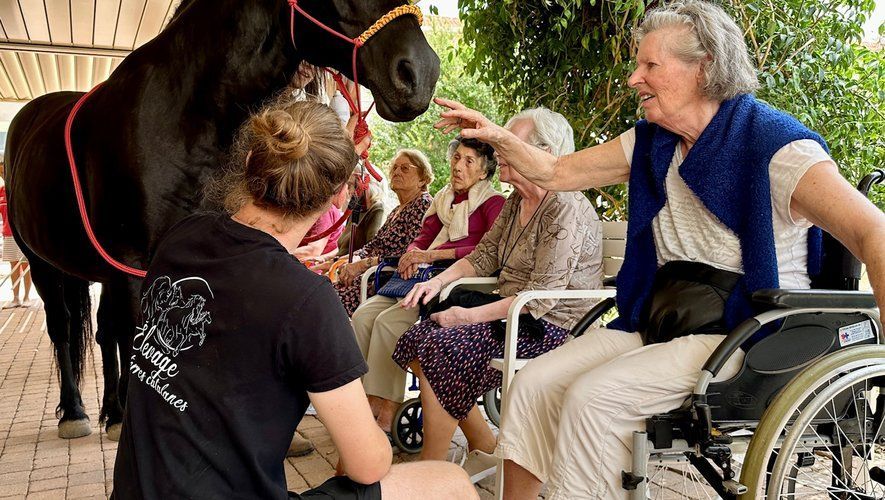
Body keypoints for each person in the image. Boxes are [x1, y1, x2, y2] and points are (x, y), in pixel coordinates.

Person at [433, 1, 885, 498]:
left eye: (650, 65)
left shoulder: (776, 147)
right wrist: (497, 136)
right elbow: (556, 173)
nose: (633, 79)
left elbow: (873, 233)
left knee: (594, 400)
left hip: (745, 332)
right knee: (534, 383)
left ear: (704, 67)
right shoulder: (654, 141)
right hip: (664, 319)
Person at [112, 99, 477, 500]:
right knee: (450, 482)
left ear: (251, 160)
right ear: (335, 196)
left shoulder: (182, 236)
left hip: (135, 489)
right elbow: (370, 465)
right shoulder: (304, 300)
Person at [396, 108, 604, 483]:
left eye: (510, 142)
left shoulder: (565, 206)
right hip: (511, 314)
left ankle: (432, 474)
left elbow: (541, 299)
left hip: (549, 326)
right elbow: (484, 256)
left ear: (544, 151)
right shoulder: (516, 202)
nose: (499, 149)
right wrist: (437, 283)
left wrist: (464, 316)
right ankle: (482, 443)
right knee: (419, 338)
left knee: (445, 347)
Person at [351, 136, 506, 435]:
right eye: (456, 158)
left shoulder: (493, 202)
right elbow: (425, 235)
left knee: (387, 323)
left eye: (468, 161)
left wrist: (432, 255)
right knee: (363, 316)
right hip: (423, 275)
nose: (458, 166)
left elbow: (486, 249)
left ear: (484, 172)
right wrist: (412, 254)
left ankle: (385, 409)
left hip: (459, 284)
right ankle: (362, 401)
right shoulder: (444, 198)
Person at [332, 149, 435, 315]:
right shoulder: (396, 210)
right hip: (370, 276)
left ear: (423, 179)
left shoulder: (423, 205)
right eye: (394, 168)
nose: (396, 172)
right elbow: (375, 244)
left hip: (386, 278)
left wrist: (362, 264)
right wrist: (354, 258)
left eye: (405, 168)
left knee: (328, 300)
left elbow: (407, 254)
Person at [0, 160, 31, 308]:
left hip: (23, 234)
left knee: (25, 265)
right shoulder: (2, 190)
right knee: (13, 265)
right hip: (8, 233)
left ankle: (26, 297)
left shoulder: (22, 188)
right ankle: (16, 298)